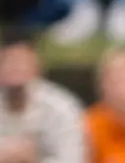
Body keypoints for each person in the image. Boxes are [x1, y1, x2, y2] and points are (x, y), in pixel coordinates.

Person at [0, 28, 84, 163]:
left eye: (21, 62)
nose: (14, 67)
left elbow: (74, 158)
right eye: (8, 61)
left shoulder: (61, 108)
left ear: (38, 66)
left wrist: (33, 159)